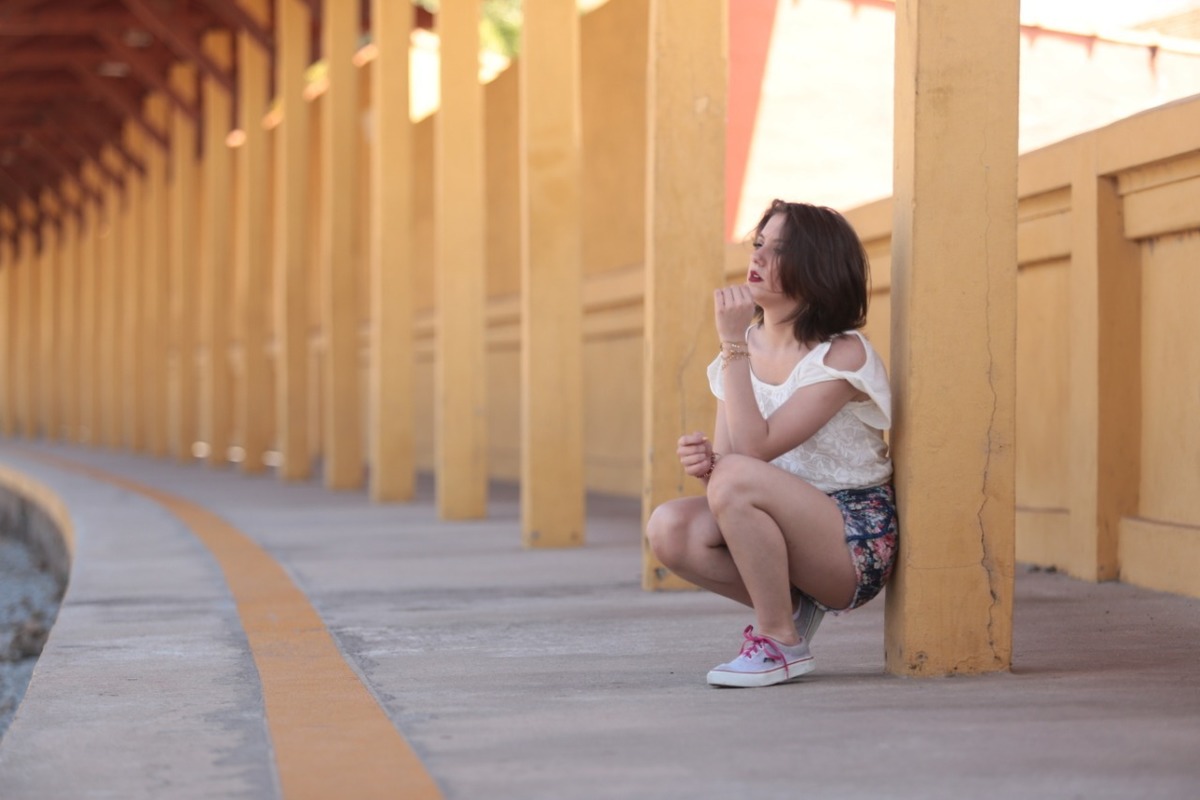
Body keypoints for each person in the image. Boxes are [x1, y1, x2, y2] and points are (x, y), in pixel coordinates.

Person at [645, 199, 898, 688]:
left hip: (850, 541)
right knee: (669, 527)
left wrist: (732, 342)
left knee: (737, 478)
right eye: (758, 244)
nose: (757, 258)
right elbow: (732, 464)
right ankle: (789, 609)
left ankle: (779, 640)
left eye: (777, 251)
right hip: (784, 524)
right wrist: (707, 463)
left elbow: (752, 455)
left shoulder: (842, 355)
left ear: (816, 268)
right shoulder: (740, 350)